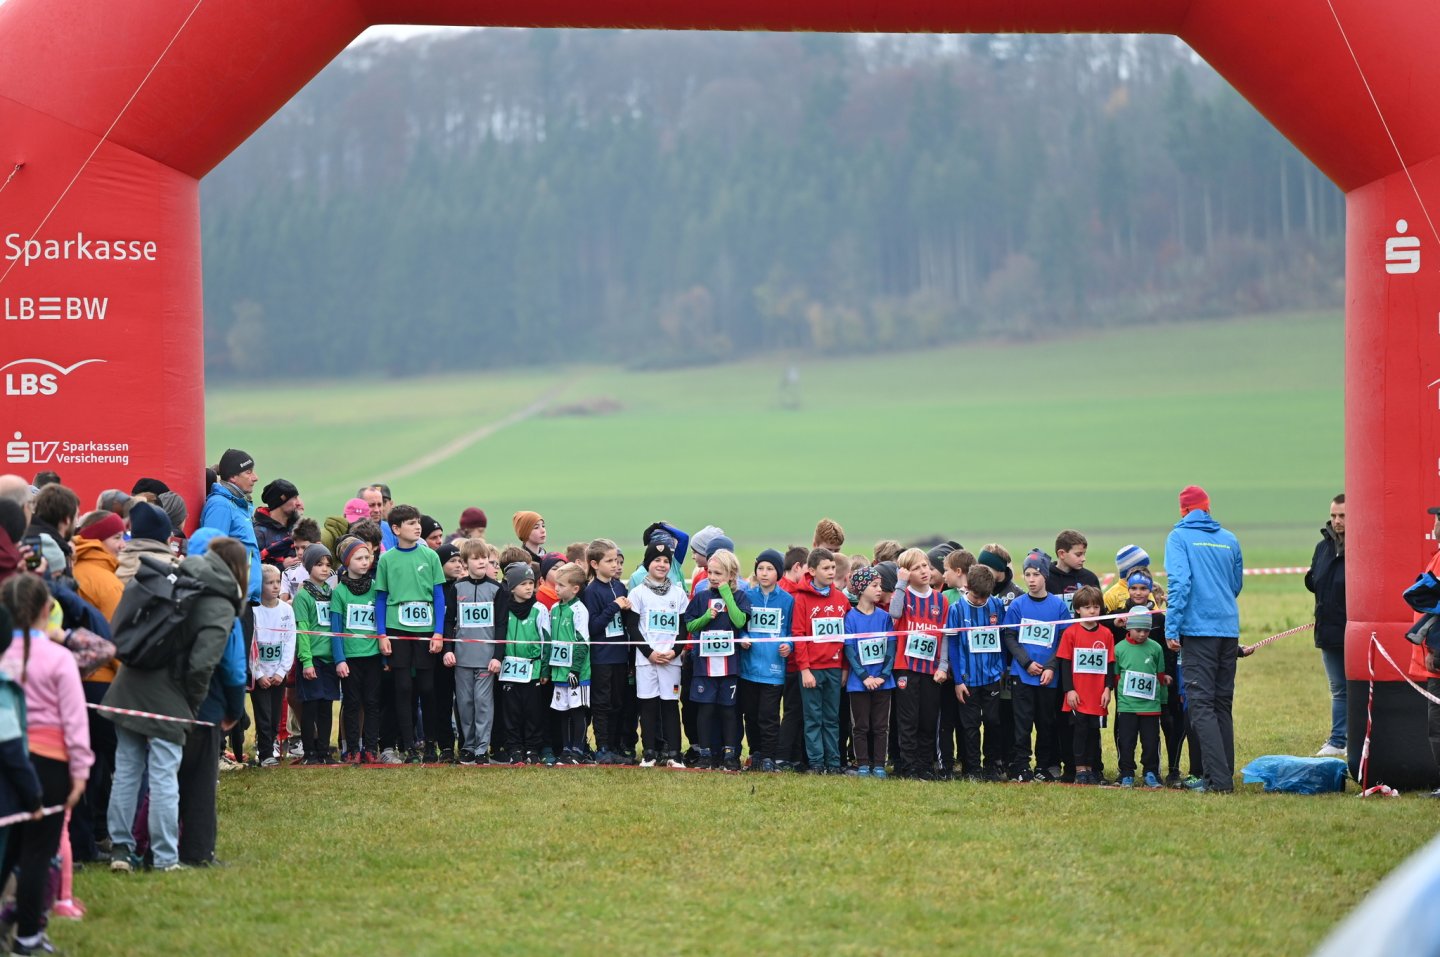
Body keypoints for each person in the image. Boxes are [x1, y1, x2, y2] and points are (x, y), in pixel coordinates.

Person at [105, 535, 246, 873]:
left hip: (129, 682)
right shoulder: (221, 604)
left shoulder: (178, 575)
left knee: (127, 770)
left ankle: (121, 850)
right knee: (164, 775)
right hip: (168, 695)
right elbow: (203, 664)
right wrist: (192, 704)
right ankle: (165, 857)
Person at [0, 574, 92, 954]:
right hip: (51, 763)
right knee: (38, 853)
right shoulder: (58, 658)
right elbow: (74, 719)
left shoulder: (3, 654)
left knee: (8, 850)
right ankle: (29, 936)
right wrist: (81, 770)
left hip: (8, 760)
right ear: (46, 608)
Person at [1164, 484, 1244, 794]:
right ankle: (1221, 775)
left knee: (1201, 706)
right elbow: (1235, 585)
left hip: (1198, 632)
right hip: (1228, 630)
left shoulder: (1178, 537)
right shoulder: (1229, 539)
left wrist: (1172, 627)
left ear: (1183, 511)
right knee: (1221, 704)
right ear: (1208, 508)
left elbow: (1180, 583)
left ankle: (1218, 782)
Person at [374, 504, 445, 763]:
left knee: (427, 687)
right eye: (411, 523)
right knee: (402, 687)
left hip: (426, 630)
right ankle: (408, 746)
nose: (417, 527)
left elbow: (438, 596)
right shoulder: (386, 559)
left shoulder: (430, 557)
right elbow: (381, 598)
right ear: (396, 529)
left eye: (418, 522)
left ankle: (430, 744)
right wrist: (382, 634)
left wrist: (438, 633)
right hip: (397, 629)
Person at [1001, 550, 1071, 782]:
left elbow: (1063, 639)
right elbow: (1010, 636)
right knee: (1022, 724)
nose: (1031, 580)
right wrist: (1027, 662)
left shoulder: (1058, 607)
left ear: (1045, 576)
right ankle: (1022, 765)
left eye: (1036, 574)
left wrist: (1050, 667)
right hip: (1022, 676)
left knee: (1046, 723)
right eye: (1027, 574)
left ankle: (1043, 766)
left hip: (1048, 677)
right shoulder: (1018, 605)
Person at [682, 549, 749, 771]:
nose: (712, 577)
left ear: (731, 575)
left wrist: (726, 593)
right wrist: (705, 618)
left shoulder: (739, 597)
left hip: (729, 666)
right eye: (710, 572)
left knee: (729, 711)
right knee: (706, 709)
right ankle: (705, 754)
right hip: (704, 666)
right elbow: (690, 626)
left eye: (718, 573)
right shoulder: (701, 598)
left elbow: (739, 621)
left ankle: (730, 754)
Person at [888, 548, 950, 779]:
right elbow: (894, 613)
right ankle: (909, 766)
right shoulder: (903, 595)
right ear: (906, 573)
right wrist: (901, 584)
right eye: (916, 568)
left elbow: (944, 636)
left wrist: (943, 666)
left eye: (925, 565)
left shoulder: (940, 600)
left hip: (931, 669)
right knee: (908, 719)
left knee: (928, 719)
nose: (924, 571)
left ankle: (925, 765)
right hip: (906, 666)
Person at [626, 543, 687, 768]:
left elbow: (683, 627)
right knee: (648, 705)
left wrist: (674, 651)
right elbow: (633, 627)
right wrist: (649, 653)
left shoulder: (678, 593)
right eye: (657, 560)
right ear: (647, 563)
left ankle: (674, 754)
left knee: (670, 705)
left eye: (666, 561)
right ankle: (649, 753)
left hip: (671, 661)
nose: (662, 565)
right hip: (646, 661)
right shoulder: (638, 593)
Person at [1044, 586, 1113, 785]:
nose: (1092, 611)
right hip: (1078, 694)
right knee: (1079, 731)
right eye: (1087, 607)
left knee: (1093, 732)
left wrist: (1108, 688)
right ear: (1077, 609)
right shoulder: (1071, 633)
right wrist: (1069, 690)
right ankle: (1080, 768)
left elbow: (1110, 663)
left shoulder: (1106, 634)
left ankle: (1091, 768)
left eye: (1096, 607)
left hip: (1097, 695)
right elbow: (1065, 664)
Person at [946, 563, 1008, 781]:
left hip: (991, 676)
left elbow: (1002, 637)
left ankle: (991, 765)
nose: (981, 601)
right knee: (970, 725)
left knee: (992, 721)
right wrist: (957, 680)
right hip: (967, 679)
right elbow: (953, 645)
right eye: (977, 596)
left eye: (985, 597)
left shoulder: (997, 605)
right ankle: (972, 768)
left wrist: (1001, 666)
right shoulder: (956, 610)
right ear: (967, 587)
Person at [791, 547, 847, 775]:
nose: (831, 572)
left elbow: (847, 637)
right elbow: (798, 636)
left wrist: (844, 668)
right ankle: (816, 762)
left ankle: (833, 763)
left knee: (832, 718)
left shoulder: (841, 599)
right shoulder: (801, 599)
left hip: (835, 668)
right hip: (812, 670)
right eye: (826, 568)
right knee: (813, 718)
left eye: (833, 567)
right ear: (812, 571)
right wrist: (804, 669)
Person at [329, 537, 382, 764]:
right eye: (359, 558)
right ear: (347, 562)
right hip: (350, 658)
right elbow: (336, 629)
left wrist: (383, 655)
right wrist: (339, 659)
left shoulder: (376, 587)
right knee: (351, 703)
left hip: (373, 656)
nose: (364, 562)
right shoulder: (340, 592)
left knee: (372, 703)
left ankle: (370, 748)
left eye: (367, 558)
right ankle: (352, 749)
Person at [740, 549, 793, 772]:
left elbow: (791, 631)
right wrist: (743, 638)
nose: (764, 573)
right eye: (760, 568)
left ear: (778, 572)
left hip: (774, 670)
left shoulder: (787, 600)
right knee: (751, 715)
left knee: (769, 716)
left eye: (769, 569)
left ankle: (770, 756)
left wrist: (788, 645)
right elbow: (740, 625)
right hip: (749, 668)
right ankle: (756, 754)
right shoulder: (747, 597)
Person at [452, 539, 503, 765]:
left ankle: (482, 748)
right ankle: (468, 746)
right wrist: (448, 650)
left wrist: (497, 656)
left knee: (483, 702)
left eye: (484, 558)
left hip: (486, 659)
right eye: (476, 558)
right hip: (462, 658)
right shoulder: (456, 588)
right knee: (465, 703)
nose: (482, 562)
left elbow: (501, 625)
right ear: (465, 563)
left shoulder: (497, 589)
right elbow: (449, 621)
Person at [581, 539, 631, 765]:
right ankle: (602, 748)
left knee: (618, 702)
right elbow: (593, 626)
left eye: (616, 561)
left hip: (620, 655)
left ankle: (615, 745)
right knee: (602, 702)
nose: (615, 565)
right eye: (609, 561)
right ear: (594, 564)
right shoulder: (591, 591)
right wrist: (615, 607)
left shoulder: (619, 587)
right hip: (602, 657)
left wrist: (628, 610)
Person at [843, 566, 895, 778]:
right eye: (874, 585)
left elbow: (891, 646)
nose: (879, 590)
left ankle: (879, 764)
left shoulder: (885, 617)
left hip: (884, 682)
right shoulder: (850, 618)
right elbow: (850, 650)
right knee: (861, 725)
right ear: (861, 589)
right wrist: (865, 677)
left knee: (881, 726)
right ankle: (863, 763)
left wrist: (882, 676)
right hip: (859, 682)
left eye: (880, 586)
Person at [1305, 493, 1347, 757]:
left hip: (1354, 630)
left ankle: (1354, 738)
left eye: (1342, 515)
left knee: (1358, 687)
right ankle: (1338, 740)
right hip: (1328, 629)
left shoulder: (1363, 545)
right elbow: (1316, 580)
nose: (1337, 521)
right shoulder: (1323, 547)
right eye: (1333, 515)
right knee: (1338, 688)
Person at [1111, 607, 1169, 788]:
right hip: (1127, 706)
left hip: (1150, 707)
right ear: (1129, 628)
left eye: (1146, 630)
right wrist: (1120, 700)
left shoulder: (1156, 648)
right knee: (1126, 741)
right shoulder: (1119, 648)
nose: (1142, 634)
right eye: (1138, 630)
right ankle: (1126, 773)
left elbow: (1160, 675)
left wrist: (1162, 700)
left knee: (1151, 742)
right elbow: (1116, 676)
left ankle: (1151, 772)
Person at [498, 562, 550, 765]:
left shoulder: (539, 609)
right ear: (512, 587)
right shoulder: (504, 608)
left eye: (531, 583)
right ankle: (514, 748)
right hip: (509, 669)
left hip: (533, 669)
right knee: (511, 712)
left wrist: (544, 669)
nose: (529, 587)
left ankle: (532, 748)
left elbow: (546, 640)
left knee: (532, 712)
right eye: (523, 584)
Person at [293, 544, 338, 763]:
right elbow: (302, 630)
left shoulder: (332, 593)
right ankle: (309, 751)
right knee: (311, 704)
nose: (324, 569)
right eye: (319, 564)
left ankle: (324, 750)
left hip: (330, 658)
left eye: (328, 565)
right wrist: (307, 661)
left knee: (326, 705)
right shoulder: (303, 596)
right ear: (309, 566)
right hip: (312, 658)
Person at [201, 449, 262, 604]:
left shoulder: (238, 505)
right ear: (233, 477)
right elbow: (213, 553)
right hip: (231, 598)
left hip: (243, 598)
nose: (255, 478)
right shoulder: (220, 505)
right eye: (248, 472)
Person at [250, 565, 296, 766]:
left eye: (278, 582)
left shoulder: (286, 610)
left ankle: (271, 747)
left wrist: (282, 671)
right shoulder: (253, 610)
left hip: (278, 674)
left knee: (275, 715)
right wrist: (258, 673)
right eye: (270, 583)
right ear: (259, 585)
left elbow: (290, 640)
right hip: (259, 674)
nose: (276, 586)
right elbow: (250, 644)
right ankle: (265, 753)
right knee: (263, 714)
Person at [547, 563, 591, 765]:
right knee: (562, 711)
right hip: (559, 671)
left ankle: (578, 750)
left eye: (561, 585)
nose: (556, 588)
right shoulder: (555, 608)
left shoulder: (579, 610)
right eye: (556, 584)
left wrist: (575, 670)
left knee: (577, 710)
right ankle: (565, 749)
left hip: (577, 673)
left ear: (575, 589)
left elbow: (582, 642)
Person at [1045, 529, 1102, 613]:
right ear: (1062, 554)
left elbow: (1100, 613)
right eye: (1078, 555)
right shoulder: (1045, 578)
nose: (1083, 559)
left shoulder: (1090, 578)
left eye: (1084, 554)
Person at [253, 478, 303, 571]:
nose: (299, 503)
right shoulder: (259, 533)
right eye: (294, 498)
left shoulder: (298, 527)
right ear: (281, 501)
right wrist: (282, 566)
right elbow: (253, 567)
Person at [1104, 544, 1152, 612]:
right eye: (1144, 568)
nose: (1147, 571)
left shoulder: (1145, 588)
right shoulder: (1111, 595)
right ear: (1131, 570)